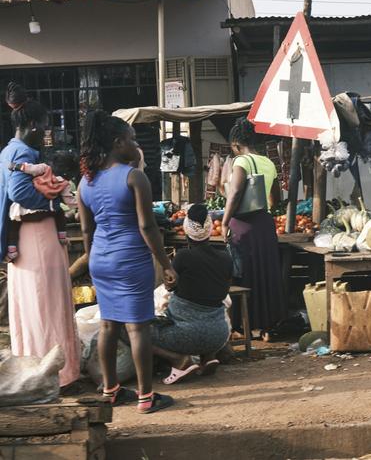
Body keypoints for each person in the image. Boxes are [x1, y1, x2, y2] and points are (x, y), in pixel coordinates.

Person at [77, 110, 176, 414]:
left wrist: (94, 260)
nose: (136, 146)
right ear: (119, 143)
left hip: (101, 260)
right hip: (130, 259)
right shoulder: (135, 177)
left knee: (107, 325)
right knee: (137, 330)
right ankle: (146, 397)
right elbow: (147, 227)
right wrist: (166, 263)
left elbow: (85, 230)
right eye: (133, 140)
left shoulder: (85, 182)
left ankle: (110, 390)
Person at [0, 82, 80, 388]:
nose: (46, 132)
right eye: (44, 126)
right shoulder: (23, 153)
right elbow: (19, 192)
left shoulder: (10, 150)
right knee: (45, 303)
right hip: (37, 238)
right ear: (32, 125)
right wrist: (55, 201)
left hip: (27, 240)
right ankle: (57, 373)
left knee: (33, 304)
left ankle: (36, 370)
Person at [153, 203, 232, 384]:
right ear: (210, 228)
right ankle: (208, 357)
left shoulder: (183, 257)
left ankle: (178, 360)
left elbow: (169, 286)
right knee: (207, 310)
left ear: (187, 230)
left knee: (136, 332)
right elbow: (222, 291)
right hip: (219, 335)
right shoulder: (225, 257)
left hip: (188, 336)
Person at [220, 117, 284, 339]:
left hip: (244, 226)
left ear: (236, 144)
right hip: (265, 225)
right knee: (265, 274)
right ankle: (266, 327)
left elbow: (235, 192)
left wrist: (225, 221)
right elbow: (276, 198)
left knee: (244, 274)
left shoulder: (241, 162)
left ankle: (243, 327)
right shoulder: (268, 163)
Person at [5, 161, 74, 260]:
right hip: (47, 210)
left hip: (24, 211)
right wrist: (80, 202)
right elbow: (69, 201)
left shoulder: (45, 168)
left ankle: (12, 248)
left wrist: (16, 166)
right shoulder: (65, 183)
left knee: (13, 223)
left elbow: (30, 168)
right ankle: (62, 236)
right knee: (60, 212)